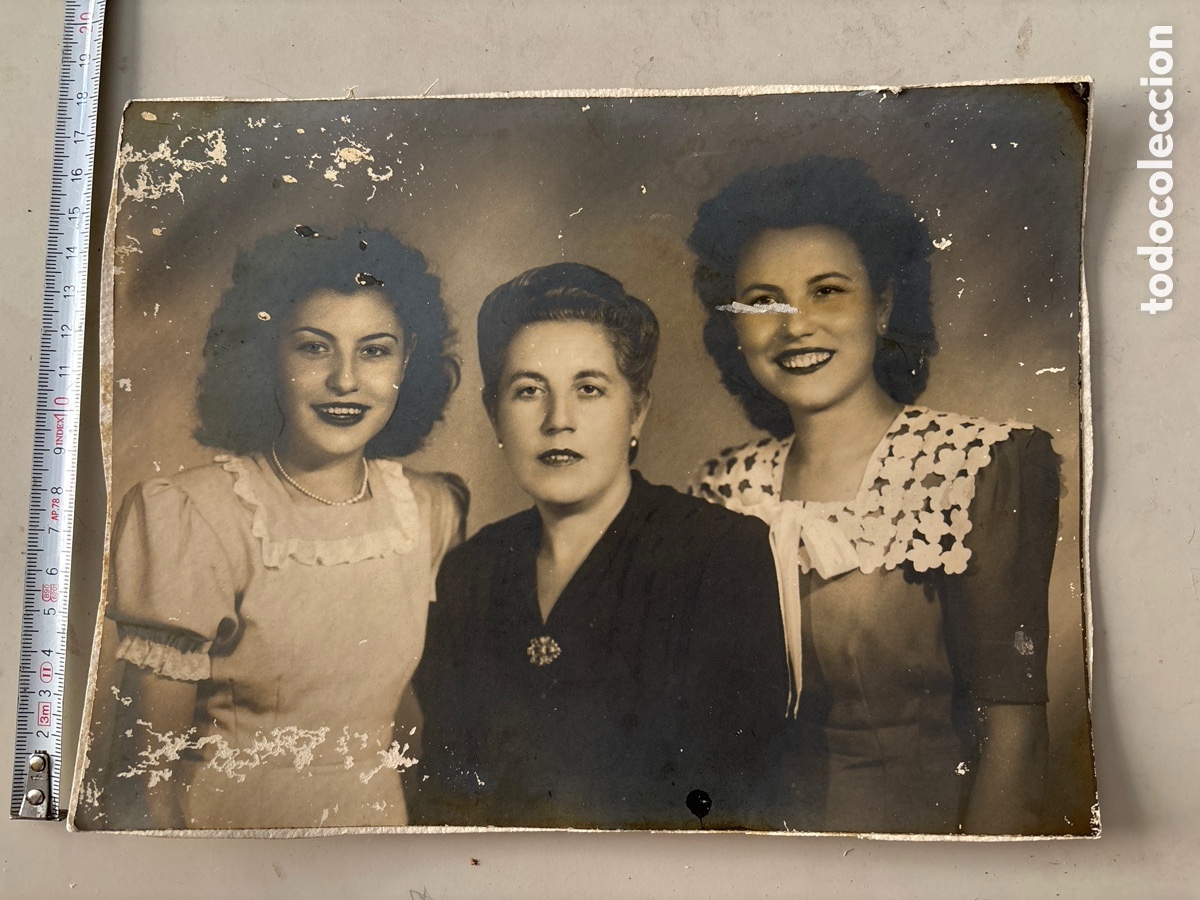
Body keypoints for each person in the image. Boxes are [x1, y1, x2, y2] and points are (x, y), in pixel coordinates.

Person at [686, 157, 1061, 835]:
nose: (794, 325)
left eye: (827, 291)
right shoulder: (720, 489)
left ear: (883, 305)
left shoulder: (978, 466)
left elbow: (1017, 744)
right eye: (764, 301)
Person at [101, 227, 466, 830]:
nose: (345, 381)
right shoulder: (194, 514)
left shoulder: (430, 511)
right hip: (230, 836)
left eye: (375, 351)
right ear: (267, 355)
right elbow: (146, 783)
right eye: (314, 348)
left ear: (408, 362)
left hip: (377, 829)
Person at [412, 263, 789, 830]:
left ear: (637, 411)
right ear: (494, 416)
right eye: (528, 391)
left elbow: (731, 808)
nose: (557, 421)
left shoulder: (718, 556)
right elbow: (449, 798)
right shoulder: (471, 571)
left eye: (589, 389)